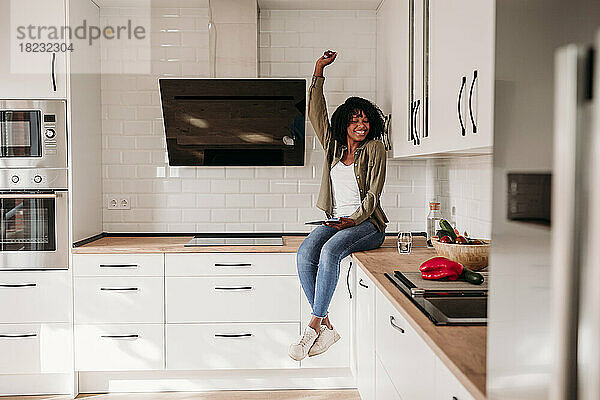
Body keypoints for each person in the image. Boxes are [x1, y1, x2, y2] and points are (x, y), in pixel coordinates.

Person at [288, 50, 389, 361]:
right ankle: (327, 325)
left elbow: (373, 194)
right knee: (305, 253)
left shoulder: (375, 149)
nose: (361, 124)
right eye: (355, 119)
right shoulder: (333, 147)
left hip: (367, 225)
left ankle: (314, 325)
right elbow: (316, 112)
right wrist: (318, 70)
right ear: (344, 122)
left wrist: (351, 220)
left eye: (366, 119)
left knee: (330, 251)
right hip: (335, 219)